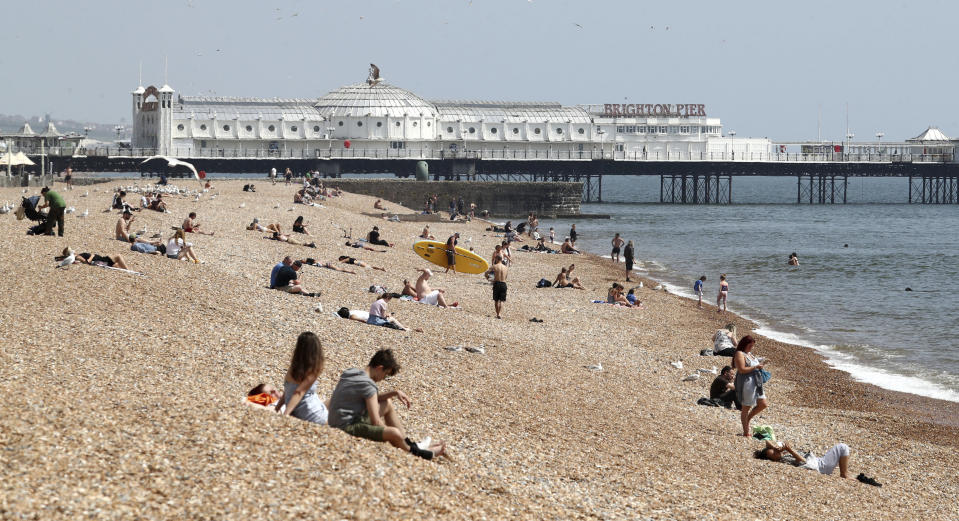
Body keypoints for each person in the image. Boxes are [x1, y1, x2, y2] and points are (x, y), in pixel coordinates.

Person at [327, 349, 447, 460]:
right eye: (385, 374)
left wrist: (394, 393)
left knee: (387, 403)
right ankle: (420, 453)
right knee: (395, 433)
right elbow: (376, 422)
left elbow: (369, 398)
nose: (383, 378)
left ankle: (411, 444)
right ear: (379, 368)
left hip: (335, 419)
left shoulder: (352, 372)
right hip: (346, 426)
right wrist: (395, 435)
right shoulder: (369, 385)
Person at [755, 440, 880, 485]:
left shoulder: (781, 455)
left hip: (819, 461)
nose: (776, 453)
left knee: (841, 448)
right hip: (820, 466)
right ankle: (845, 474)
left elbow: (768, 441)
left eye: (774, 452)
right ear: (772, 459)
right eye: (773, 455)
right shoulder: (785, 459)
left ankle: (846, 473)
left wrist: (776, 448)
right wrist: (789, 449)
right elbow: (802, 460)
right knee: (843, 447)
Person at [277, 331, 328, 425]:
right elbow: (299, 392)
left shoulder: (293, 367)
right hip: (311, 412)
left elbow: (287, 391)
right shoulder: (313, 369)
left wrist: (277, 408)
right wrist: (285, 414)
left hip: (301, 408)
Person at [733, 335, 768, 437]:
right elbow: (741, 370)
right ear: (745, 344)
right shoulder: (739, 354)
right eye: (750, 345)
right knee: (746, 407)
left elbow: (753, 365)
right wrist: (755, 367)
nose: (751, 347)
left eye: (752, 346)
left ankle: (748, 419)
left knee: (763, 404)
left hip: (757, 382)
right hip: (747, 382)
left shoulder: (750, 354)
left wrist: (760, 365)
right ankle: (746, 432)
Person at [58, 247, 131, 271]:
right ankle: (129, 270)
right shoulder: (77, 257)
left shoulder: (76, 256)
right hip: (100, 260)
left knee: (117, 265)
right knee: (118, 256)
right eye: (72, 250)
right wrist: (92, 256)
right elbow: (87, 262)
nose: (74, 250)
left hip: (100, 260)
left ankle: (129, 271)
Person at [491, 255, 508, 319]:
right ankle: (500, 313)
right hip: (503, 283)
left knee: (496, 300)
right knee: (502, 300)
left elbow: (486, 273)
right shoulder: (506, 267)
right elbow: (506, 276)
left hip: (496, 283)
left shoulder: (494, 266)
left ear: (497, 259)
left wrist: (489, 278)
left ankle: (497, 313)